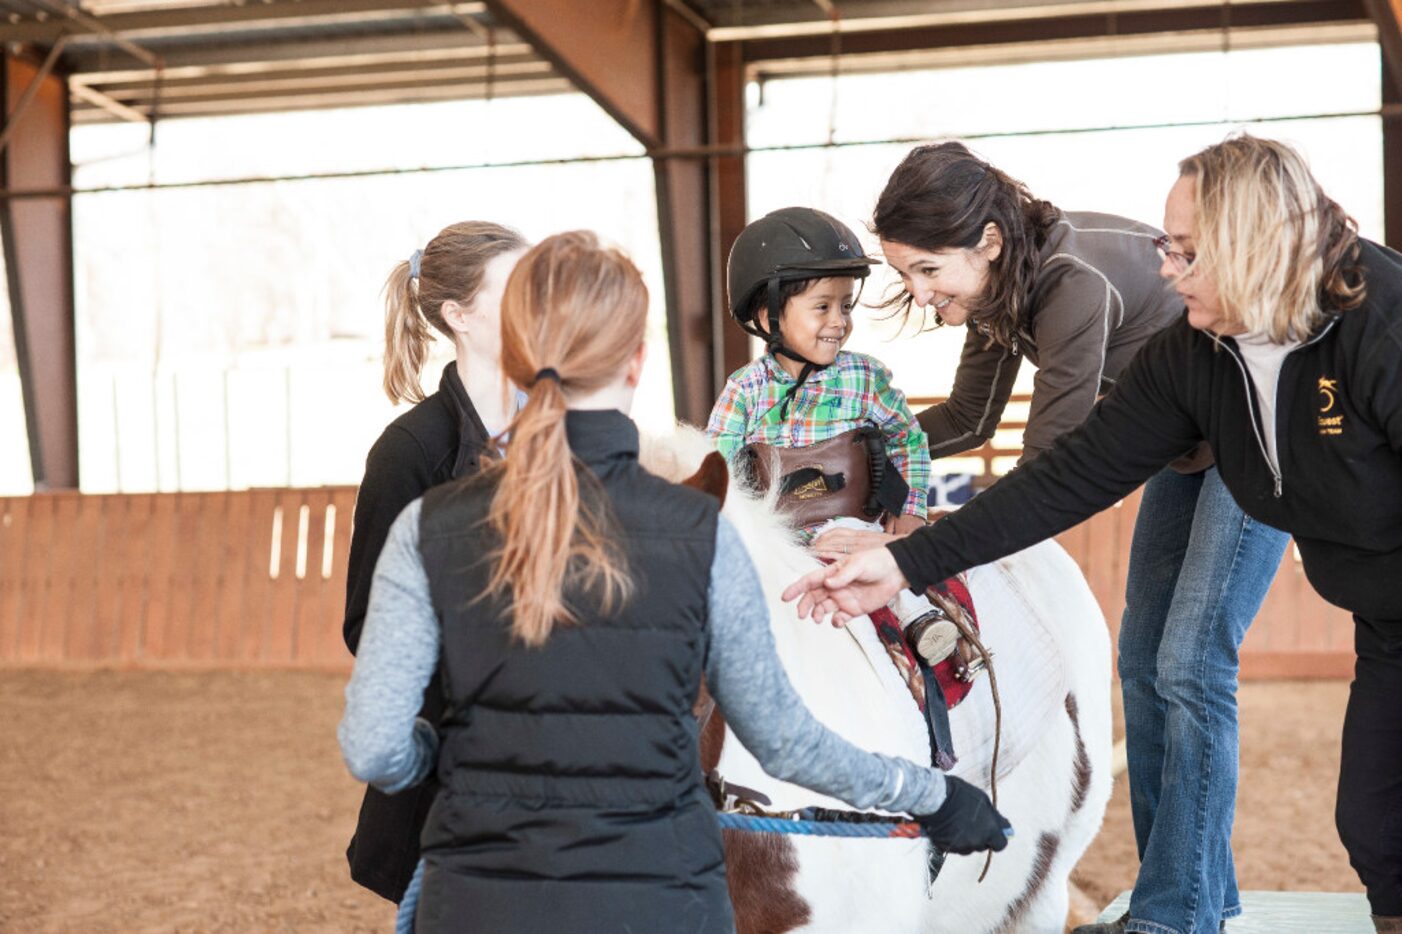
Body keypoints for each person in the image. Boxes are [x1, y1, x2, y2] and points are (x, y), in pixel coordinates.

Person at [782, 134, 1402, 934]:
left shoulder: (1379, 325)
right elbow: (1071, 472)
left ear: (1252, 246)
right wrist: (903, 562)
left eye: (1184, 252)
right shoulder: (1196, 356)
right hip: (1378, 612)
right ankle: (1185, 903)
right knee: (1374, 827)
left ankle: (1179, 908)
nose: (1166, 269)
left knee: (1190, 662)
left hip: (1341, 556)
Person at [338, 231, 1011, 933]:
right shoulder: (702, 528)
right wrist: (932, 795)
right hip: (657, 897)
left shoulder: (428, 524)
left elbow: (375, 748)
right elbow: (785, 741)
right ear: (636, 362)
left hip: (478, 895)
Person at [342, 220, 528, 904]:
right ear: (459, 316)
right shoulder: (408, 451)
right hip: (458, 768)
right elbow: (369, 623)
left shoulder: (571, 426)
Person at [707, 206, 961, 663]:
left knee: (875, 563)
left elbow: (908, 439)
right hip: (778, 536)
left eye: (846, 306)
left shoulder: (865, 377)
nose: (839, 321)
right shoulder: (745, 390)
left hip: (851, 527)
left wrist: (910, 511)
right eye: (822, 307)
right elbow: (718, 469)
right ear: (768, 316)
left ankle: (920, 620)